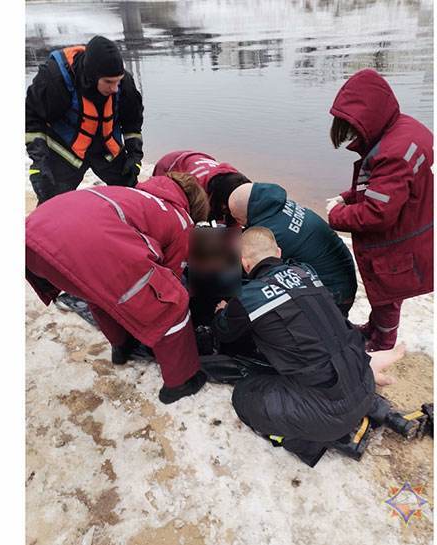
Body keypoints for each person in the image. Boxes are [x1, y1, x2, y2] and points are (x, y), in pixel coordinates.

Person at [212, 227, 431, 466]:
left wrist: (225, 311)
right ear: (278, 251)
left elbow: (224, 333)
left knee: (245, 395)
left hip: (327, 411)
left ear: (244, 263)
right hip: (363, 383)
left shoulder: (248, 297)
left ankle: (338, 438)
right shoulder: (307, 273)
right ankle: (379, 414)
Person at [25, 173, 209, 404]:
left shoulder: (132, 193)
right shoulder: (181, 219)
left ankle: (121, 346)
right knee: (173, 303)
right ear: (194, 205)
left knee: (98, 292)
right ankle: (180, 382)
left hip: (34, 242)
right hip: (85, 247)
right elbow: (170, 276)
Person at [325, 68, 433, 351]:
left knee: (386, 296)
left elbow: (377, 212)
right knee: (386, 297)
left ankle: (382, 343)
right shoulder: (406, 129)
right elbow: (390, 189)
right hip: (417, 227)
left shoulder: (391, 154)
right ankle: (374, 329)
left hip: (400, 242)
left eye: (352, 130)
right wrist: (348, 197)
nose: (351, 137)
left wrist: (335, 216)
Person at [25, 35, 145, 203]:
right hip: (66, 152)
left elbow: (132, 123)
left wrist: (134, 155)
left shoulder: (124, 84)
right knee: (51, 204)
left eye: (118, 81)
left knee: (131, 198)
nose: (115, 89)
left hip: (106, 150)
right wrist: (39, 162)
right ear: (92, 76)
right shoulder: (54, 79)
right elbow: (32, 120)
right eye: (108, 82)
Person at [214, 178, 358, 315]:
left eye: (238, 219)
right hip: (342, 278)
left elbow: (245, 269)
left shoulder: (273, 233)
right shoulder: (277, 206)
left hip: (334, 296)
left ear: (245, 214)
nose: (239, 223)